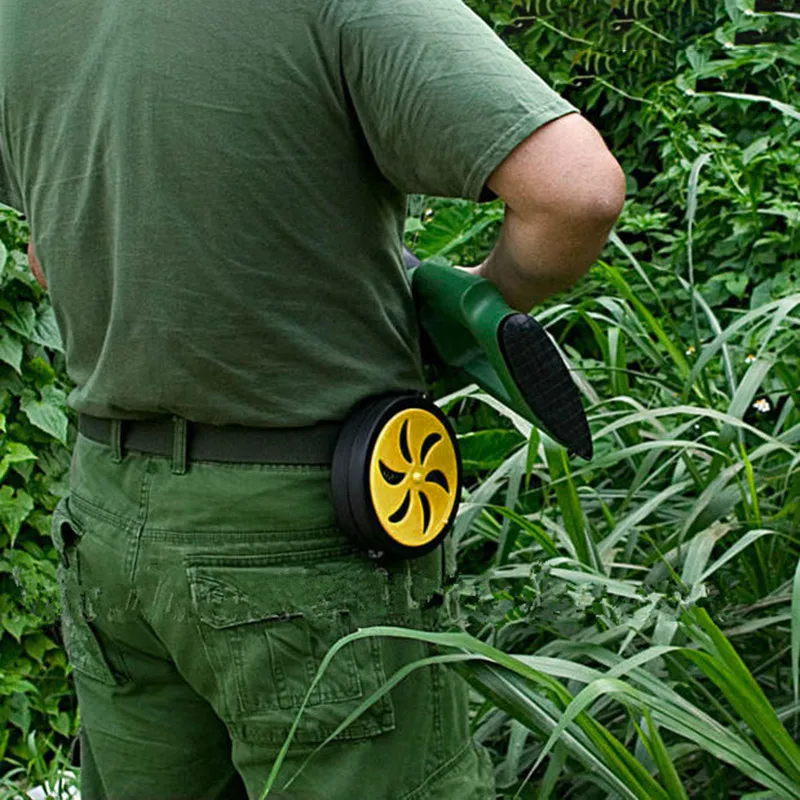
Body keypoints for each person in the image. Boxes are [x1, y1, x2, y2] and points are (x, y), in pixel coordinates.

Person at [0, 0, 624, 797]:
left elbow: (50, 253)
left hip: (107, 517)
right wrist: (474, 305)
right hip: (301, 530)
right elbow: (575, 190)